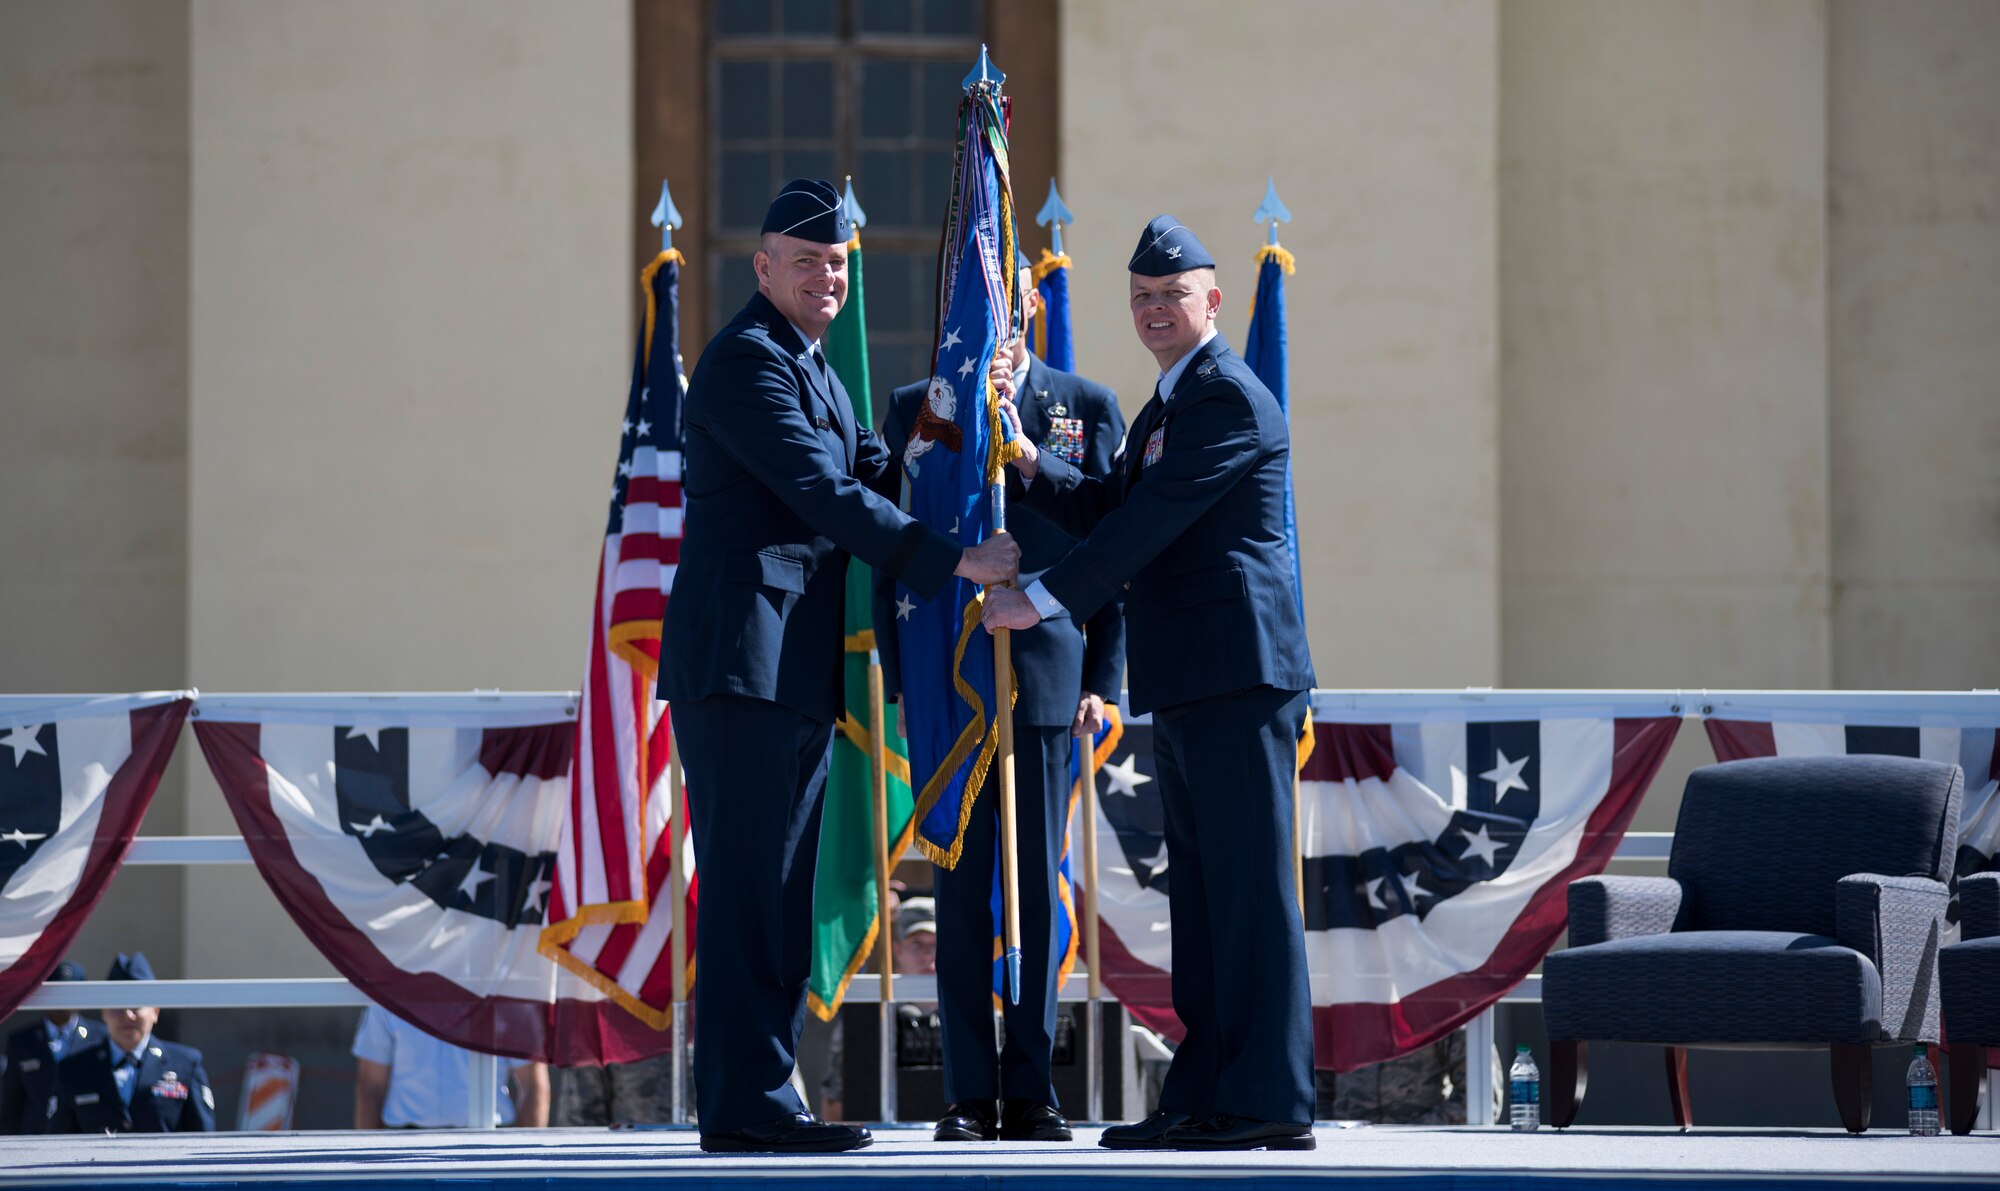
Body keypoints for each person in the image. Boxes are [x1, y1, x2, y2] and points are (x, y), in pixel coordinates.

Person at [658, 177, 1019, 1155]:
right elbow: (823, 492)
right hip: (741, 664)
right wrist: (954, 561)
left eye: (838, 266)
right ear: (763, 266)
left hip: (791, 666)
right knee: (744, 890)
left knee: (778, 892)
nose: (826, 278)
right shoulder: (746, 363)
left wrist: (971, 415)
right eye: (806, 261)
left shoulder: (812, 366)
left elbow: (878, 464)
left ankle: (762, 1097)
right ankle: (744, 1105)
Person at [983, 216, 1317, 1152]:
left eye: (1172, 295)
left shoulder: (1226, 399)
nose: (1153, 310)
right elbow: (1106, 505)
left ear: (1213, 301)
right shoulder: (1170, 404)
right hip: (1193, 677)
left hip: (1239, 673)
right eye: (1139, 297)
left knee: (1248, 889)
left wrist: (1040, 600)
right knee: (1205, 897)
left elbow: (1145, 529)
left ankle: (1270, 1098)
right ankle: (1206, 1090)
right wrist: (1025, 455)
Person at [875, 251, 1126, 1144]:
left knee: (1034, 887)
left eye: (1008, 295)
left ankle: (1031, 1088)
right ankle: (965, 1093)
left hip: (1050, 677)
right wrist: (901, 686)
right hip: (948, 682)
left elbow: (1115, 546)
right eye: (975, 294)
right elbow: (892, 547)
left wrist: (1104, 679)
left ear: (1030, 300)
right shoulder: (918, 408)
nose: (997, 310)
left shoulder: (1083, 406)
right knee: (957, 888)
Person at [47, 952, 215, 1133]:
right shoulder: (74, 1069)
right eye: (118, 1005)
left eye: (136, 1004)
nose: (128, 1014)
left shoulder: (185, 1064)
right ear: (104, 1012)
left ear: (155, 1012)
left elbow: (203, 1135)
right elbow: (58, 1138)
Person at [351, 1003, 548, 1129]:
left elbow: (534, 1085)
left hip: (488, 1148)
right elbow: (370, 1085)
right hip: (407, 1149)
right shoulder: (387, 999)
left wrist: (527, 1161)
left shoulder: (506, 1001)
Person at [1, 960, 92, 1133]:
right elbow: (10, 1104)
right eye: (54, 991)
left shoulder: (98, 1037)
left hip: (84, 1143)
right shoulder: (22, 1042)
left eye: (69, 992)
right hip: (33, 1145)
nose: (61, 1000)